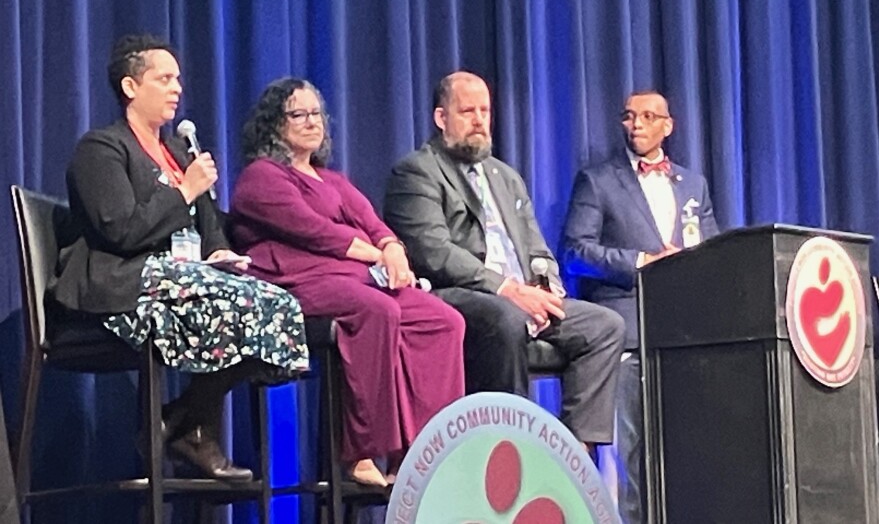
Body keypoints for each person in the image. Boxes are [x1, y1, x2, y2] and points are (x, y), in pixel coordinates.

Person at [49, 35, 309, 481]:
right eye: (164, 78)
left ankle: (180, 420)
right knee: (242, 303)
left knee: (276, 302)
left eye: (179, 79)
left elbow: (205, 222)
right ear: (131, 87)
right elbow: (120, 230)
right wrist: (185, 190)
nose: (177, 88)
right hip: (122, 283)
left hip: (181, 279)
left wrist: (220, 252)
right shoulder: (102, 149)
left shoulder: (175, 152)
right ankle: (189, 429)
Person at [228, 77, 465, 488]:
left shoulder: (332, 179)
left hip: (353, 276)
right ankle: (362, 452)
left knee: (442, 320)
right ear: (273, 125)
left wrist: (391, 246)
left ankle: (424, 452)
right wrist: (376, 253)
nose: (310, 122)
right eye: (297, 114)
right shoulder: (261, 177)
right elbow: (313, 231)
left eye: (315, 113)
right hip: (296, 280)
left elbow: (373, 222)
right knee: (378, 309)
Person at [383, 70, 625, 453]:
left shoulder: (505, 176)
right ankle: (507, 447)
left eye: (485, 110)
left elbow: (536, 248)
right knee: (505, 318)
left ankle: (575, 453)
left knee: (605, 325)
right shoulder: (417, 171)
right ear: (441, 118)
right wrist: (509, 290)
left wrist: (544, 289)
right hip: (458, 294)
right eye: (467, 111)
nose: (479, 120)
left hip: (520, 293)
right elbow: (433, 251)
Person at [562, 90, 719, 523]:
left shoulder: (693, 185)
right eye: (629, 116)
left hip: (683, 337)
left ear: (668, 126)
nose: (637, 124)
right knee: (628, 460)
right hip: (626, 336)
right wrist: (642, 262)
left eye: (648, 117)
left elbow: (712, 249)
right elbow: (575, 252)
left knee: (681, 454)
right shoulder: (598, 181)